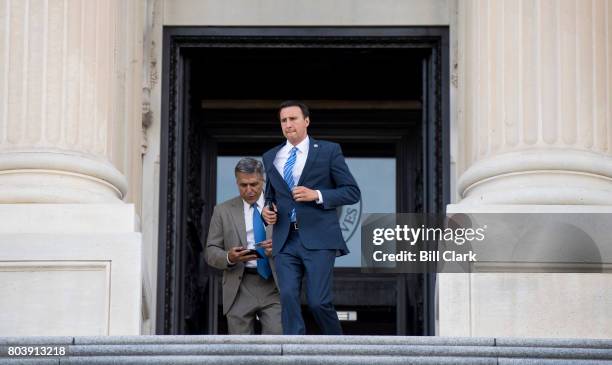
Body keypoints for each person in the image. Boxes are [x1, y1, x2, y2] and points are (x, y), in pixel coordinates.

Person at [262, 100, 360, 335]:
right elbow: (270, 197)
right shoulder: (271, 156)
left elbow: (351, 192)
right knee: (287, 296)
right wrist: (267, 211)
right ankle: (295, 348)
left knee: (318, 301)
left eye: (293, 118)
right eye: (283, 120)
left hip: (319, 238)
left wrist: (315, 194)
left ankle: (336, 346)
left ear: (306, 121)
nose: (288, 124)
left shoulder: (328, 151)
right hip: (285, 239)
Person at [206, 157, 282, 334]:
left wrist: (279, 248)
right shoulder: (222, 211)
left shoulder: (281, 206)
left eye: (254, 184)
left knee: (277, 341)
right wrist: (229, 257)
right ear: (236, 182)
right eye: (243, 185)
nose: (249, 190)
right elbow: (210, 251)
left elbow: (299, 239)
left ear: (262, 179)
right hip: (239, 285)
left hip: (274, 282)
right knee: (240, 349)